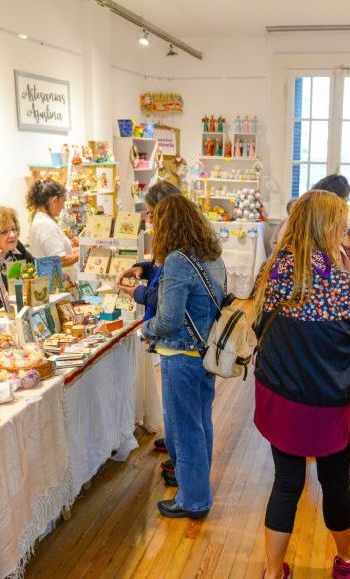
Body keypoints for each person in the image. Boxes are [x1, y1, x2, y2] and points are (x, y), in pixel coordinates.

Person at [254, 190, 350, 579]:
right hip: (325, 398)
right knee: (335, 481)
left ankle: (273, 572)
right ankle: (347, 557)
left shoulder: (276, 270)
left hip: (279, 390)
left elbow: (260, 324)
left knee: (286, 483)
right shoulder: (346, 284)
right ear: (331, 227)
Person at [141, 195, 226, 520]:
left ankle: (194, 500)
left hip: (181, 353)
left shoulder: (177, 260)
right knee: (200, 423)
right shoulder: (211, 256)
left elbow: (168, 319)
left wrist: (145, 328)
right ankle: (195, 484)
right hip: (205, 352)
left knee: (184, 429)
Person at [118, 180, 182, 456]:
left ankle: (182, 461)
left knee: (181, 402)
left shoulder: (178, 252)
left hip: (178, 341)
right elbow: (158, 271)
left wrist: (139, 293)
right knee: (175, 400)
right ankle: (176, 443)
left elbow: (167, 299)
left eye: (151, 212)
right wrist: (141, 268)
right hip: (176, 340)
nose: (148, 218)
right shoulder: (172, 240)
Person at [276, 173, 350, 245]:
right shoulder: (307, 216)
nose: (343, 207)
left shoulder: (309, 211)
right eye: (344, 202)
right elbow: (282, 242)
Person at [27, 179, 79, 270]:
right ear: (54, 201)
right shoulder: (45, 225)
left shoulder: (42, 219)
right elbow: (60, 260)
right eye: (63, 201)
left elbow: (63, 252)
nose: (63, 206)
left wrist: (81, 249)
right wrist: (84, 251)